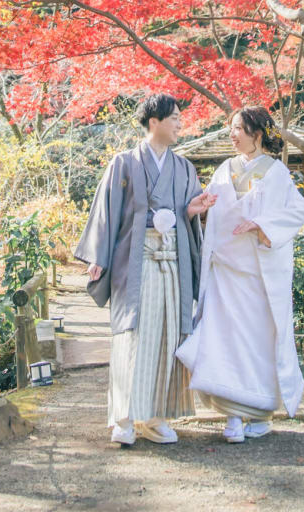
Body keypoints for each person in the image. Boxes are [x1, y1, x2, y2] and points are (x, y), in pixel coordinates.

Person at [74, 92, 216, 446]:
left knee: (169, 335)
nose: (181, 123)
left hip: (173, 263)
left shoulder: (184, 168)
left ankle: (156, 417)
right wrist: (98, 258)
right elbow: (107, 213)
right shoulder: (123, 164)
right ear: (154, 121)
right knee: (134, 336)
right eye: (175, 118)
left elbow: (186, 212)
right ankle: (123, 418)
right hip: (135, 265)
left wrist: (191, 211)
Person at [176, 106, 304, 443]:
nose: (232, 134)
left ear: (257, 134)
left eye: (238, 128)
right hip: (225, 271)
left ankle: (260, 413)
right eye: (231, 128)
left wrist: (263, 224)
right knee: (224, 342)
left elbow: (297, 211)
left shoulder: (276, 172)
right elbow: (216, 214)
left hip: (258, 275)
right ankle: (233, 415)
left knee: (257, 345)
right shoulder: (224, 168)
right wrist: (203, 208)